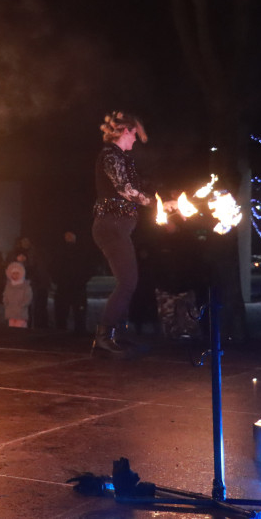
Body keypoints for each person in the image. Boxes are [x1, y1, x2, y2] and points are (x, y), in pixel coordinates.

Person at [91, 111, 153, 357]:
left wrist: (162, 201)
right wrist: (151, 201)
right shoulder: (110, 155)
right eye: (135, 134)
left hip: (117, 227)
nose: (136, 139)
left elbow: (135, 188)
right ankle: (104, 338)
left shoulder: (123, 158)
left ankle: (116, 335)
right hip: (110, 226)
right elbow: (124, 189)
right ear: (126, 131)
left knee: (129, 281)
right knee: (128, 282)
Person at [52, 231, 92, 334]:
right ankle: (60, 333)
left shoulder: (82, 250)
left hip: (78, 288)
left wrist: (82, 280)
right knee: (61, 314)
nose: (68, 237)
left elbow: (89, 267)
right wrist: (56, 279)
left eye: (71, 234)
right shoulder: (59, 250)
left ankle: (80, 335)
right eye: (66, 235)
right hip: (63, 287)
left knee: (80, 314)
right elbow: (53, 265)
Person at [2, 262, 32, 329]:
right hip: (11, 312)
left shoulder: (25, 286)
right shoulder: (9, 285)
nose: (15, 275)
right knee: (11, 329)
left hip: (20, 313)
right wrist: (6, 302)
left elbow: (28, 297)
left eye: (17, 273)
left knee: (20, 329)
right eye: (13, 273)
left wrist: (23, 304)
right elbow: (5, 295)